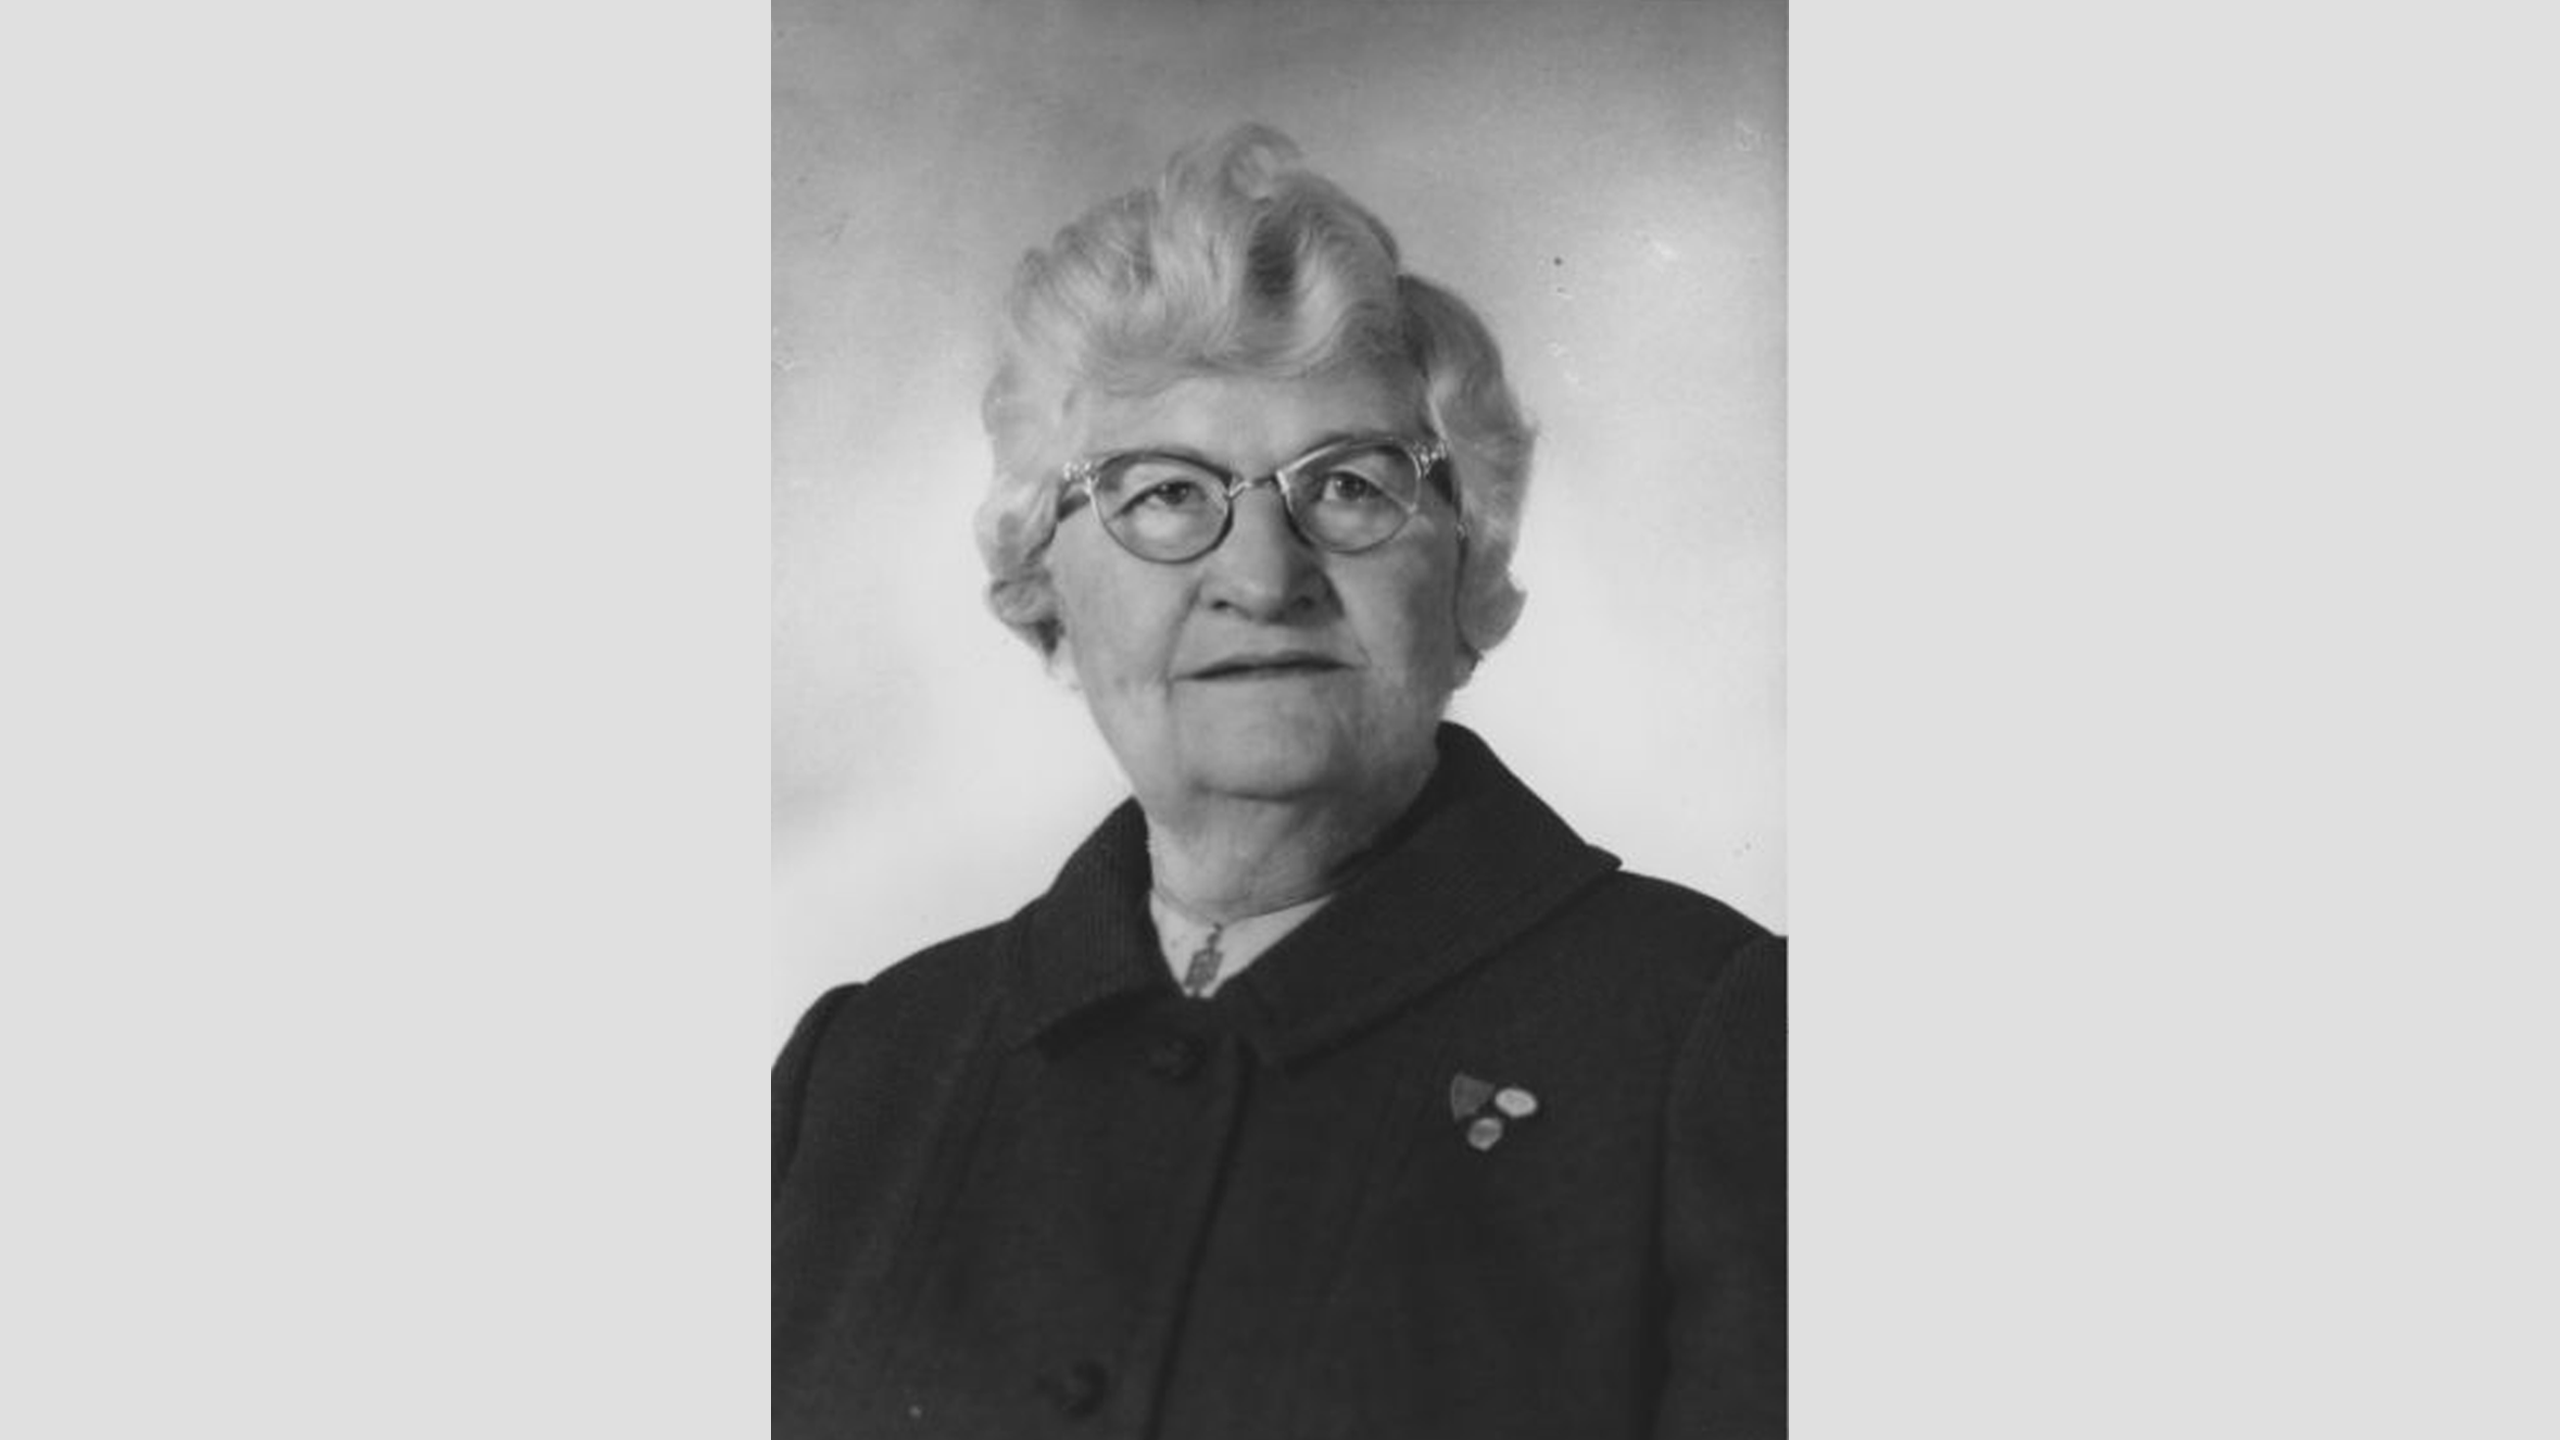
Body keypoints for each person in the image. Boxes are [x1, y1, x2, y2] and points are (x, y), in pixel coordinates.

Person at [773, 125, 1784, 1439]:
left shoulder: (1718, 1036)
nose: (1262, 576)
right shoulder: (861, 1074)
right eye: (1161, 493)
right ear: (1044, 594)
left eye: (1351, 485)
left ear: (1468, 576)